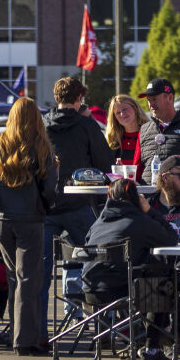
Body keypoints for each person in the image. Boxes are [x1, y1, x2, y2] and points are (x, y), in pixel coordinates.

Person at [0, 97, 61, 356]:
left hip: (2, 219)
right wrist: (44, 206)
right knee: (28, 279)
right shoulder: (42, 148)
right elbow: (49, 189)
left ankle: (18, 335)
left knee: (15, 277)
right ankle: (25, 340)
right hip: (31, 219)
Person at [81, 178, 179, 360]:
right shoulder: (139, 221)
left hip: (89, 290)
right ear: (136, 198)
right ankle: (152, 347)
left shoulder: (98, 223)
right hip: (118, 291)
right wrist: (149, 210)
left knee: (150, 273)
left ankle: (144, 340)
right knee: (160, 277)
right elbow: (170, 238)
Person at [44, 76, 115, 251]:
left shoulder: (42, 124)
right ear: (79, 97)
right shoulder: (87, 125)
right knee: (92, 256)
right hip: (79, 201)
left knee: (42, 261)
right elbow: (104, 161)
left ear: (56, 97)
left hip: (47, 202)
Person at [132, 79, 180, 197]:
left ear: (169, 98)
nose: (151, 104)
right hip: (148, 202)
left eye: (154, 99)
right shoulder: (144, 130)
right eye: (149, 100)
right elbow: (137, 169)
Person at [104, 94, 142, 170]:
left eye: (125, 109)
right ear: (115, 118)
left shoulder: (149, 134)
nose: (122, 114)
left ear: (135, 108)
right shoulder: (112, 141)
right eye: (118, 113)